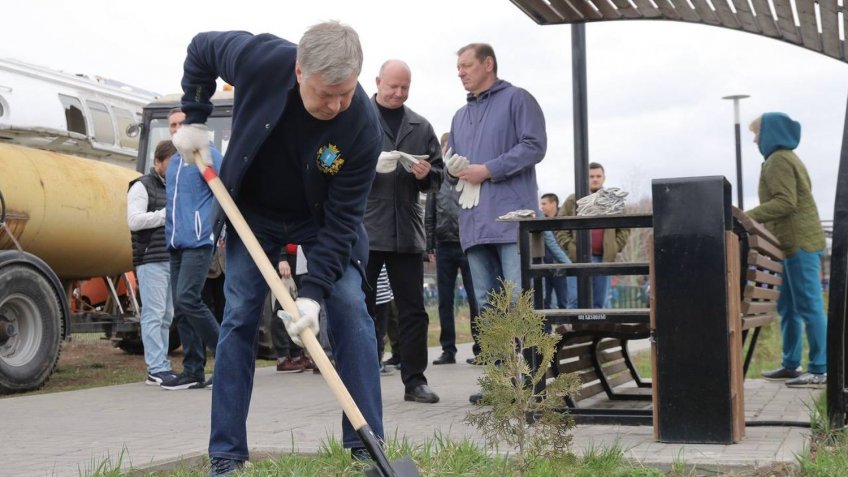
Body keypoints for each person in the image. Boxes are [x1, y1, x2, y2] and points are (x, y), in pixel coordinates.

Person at [171, 22, 385, 475]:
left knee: (348, 305)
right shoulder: (257, 58)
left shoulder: (362, 125)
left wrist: (313, 290)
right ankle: (226, 455)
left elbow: (345, 220)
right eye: (326, 93)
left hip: (322, 219)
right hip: (251, 210)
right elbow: (200, 50)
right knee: (240, 315)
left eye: (345, 93)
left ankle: (367, 447)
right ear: (298, 70)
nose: (335, 105)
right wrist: (193, 117)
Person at [446, 43, 547, 403]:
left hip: (510, 222)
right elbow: (453, 165)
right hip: (474, 224)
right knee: (487, 309)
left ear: (488, 64)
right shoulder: (459, 116)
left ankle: (533, 379)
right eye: (458, 67)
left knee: (520, 303)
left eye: (466, 65)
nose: (460, 72)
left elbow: (535, 145)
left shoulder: (519, 99)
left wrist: (488, 169)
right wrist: (450, 168)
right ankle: (500, 382)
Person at [363, 59, 443, 404]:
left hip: (407, 233)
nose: (398, 93)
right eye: (392, 86)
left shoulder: (420, 125)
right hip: (365, 231)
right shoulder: (355, 117)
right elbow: (330, 164)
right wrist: (367, 167)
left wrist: (426, 174)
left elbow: (439, 177)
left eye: (404, 88)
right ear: (378, 81)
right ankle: (359, 379)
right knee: (362, 309)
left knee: (413, 312)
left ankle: (415, 381)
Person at [746, 112, 827, 388]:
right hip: (795, 243)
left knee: (808, 306)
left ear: (769, 134)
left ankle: (820, 368)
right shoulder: (786, 158)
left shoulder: (778, 160)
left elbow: (786, 202)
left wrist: (749, 217)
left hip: (800, 242)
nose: (755, 139)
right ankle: (791, 364)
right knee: (789, 307)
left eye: (757, 133)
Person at [162, 109, 223, 391]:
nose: (176, 129)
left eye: (181, 124)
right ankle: (193, 370)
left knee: (188, 298)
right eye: (172, 125)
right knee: (181, 306)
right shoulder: (174, 162)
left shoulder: (206, 154)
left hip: (199, 241)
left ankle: (227, 358)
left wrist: (212, 230)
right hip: (175, 243)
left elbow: (223, 193)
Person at [426, 132, 480, 365]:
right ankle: (448, 349)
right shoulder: (437, 181)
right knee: (444, 300)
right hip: (443, 246)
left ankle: (482, 347)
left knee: (475, 298)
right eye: (446, 146)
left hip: (468, 244)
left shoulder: (469, 176)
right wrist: (429, 246)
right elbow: (430, 215)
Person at [127, 140, 178, 386]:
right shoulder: (140, 186)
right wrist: (163, 215)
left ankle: (162, 365)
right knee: (154, 314)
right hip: (150, 259)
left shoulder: (174, 186)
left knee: (167, 315)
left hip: (170, 256)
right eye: (171, 162)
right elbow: (134, 221)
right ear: (158, 162)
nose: (175, 167)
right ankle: (155, 368)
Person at [556, 162, 630, 309]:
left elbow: (625, 228)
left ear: (604, 178)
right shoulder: (573, 199)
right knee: (575, 301)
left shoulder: (612, 199)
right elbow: (560, 226)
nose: (595, 179)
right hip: (577, 259)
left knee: (599, 304)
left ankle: (597, 332)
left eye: (598, 176)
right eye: (591, 176)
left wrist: (614, 247)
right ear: (585, 178)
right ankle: (574, 332)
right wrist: (571, 247)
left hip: (603, 259)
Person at [273, 248, 317, 373]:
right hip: (288, 256)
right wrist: (282, 259)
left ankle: (296, 354)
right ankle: (282, 356)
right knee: (283, 306)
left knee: (299, 307)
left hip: (301, 257)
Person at [539, 193, 576, 309]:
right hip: (545, 266)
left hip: (561, 267)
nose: (542, 207)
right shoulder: (540, 221)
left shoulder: (563, 219)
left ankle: (565, 325)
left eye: (544, 204)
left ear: (553, 203)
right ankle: (546, 327)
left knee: (563, 300)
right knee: (544, 300)